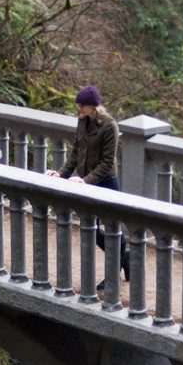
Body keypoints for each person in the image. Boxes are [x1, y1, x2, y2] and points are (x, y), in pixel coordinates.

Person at [46, 85, 129, 282]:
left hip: (106, 182)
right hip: (87, 183)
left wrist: (85, 180)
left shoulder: (110, 126)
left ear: (93, 106)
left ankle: (114, 271)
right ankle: (125, 257)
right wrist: (61, 174)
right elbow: (75, 153)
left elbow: (108, 162)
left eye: (82, 106)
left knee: (110, 226)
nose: (80, 110)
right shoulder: (82, 122)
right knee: (90, 227)